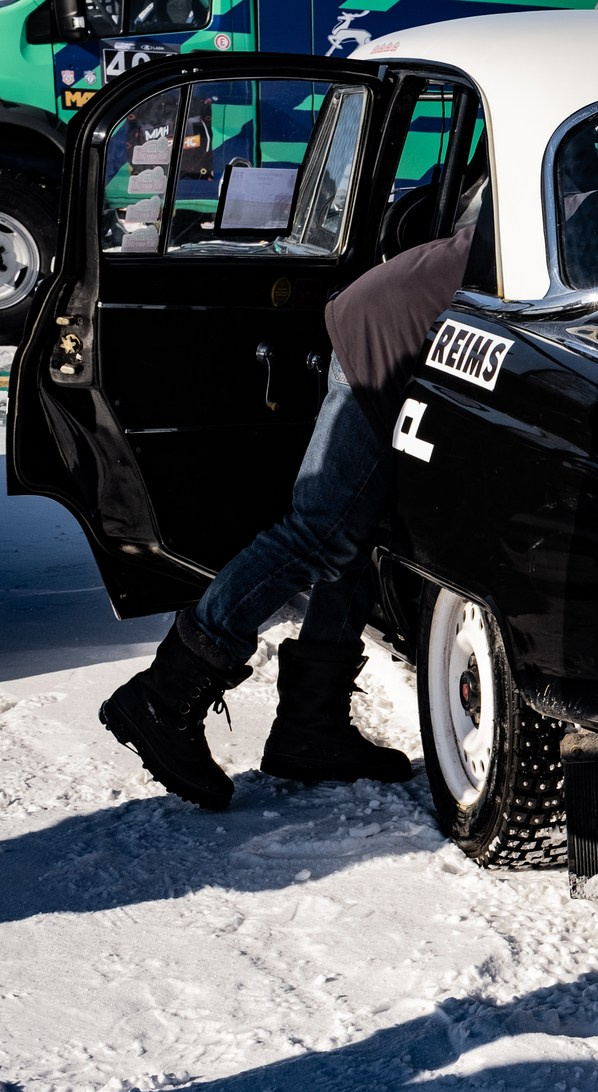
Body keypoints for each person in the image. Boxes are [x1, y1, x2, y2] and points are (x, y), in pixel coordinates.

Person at [100, 198, 485, 812]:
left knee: (355, 539)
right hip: (384, 338)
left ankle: (311, 729)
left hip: (391, 321)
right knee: (321, 531)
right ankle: (164, 695)